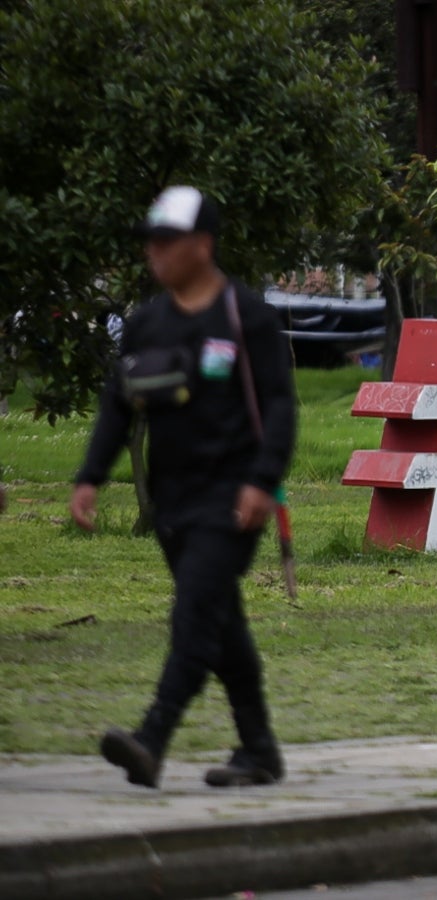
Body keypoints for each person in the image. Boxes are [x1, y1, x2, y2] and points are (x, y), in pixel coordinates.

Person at [70, 186, 296, 789]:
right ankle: (260, 750)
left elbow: (280, 409)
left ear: (204, 245)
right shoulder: (147, 323)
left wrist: (261, 483)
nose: (156, 253)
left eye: (168, 242)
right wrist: (90, 477)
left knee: (195, 612)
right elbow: (118, 407)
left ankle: (152, 739)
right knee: (222, 625)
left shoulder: (248, 317)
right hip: (173, 502)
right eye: (152, 242)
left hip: (233, 500)